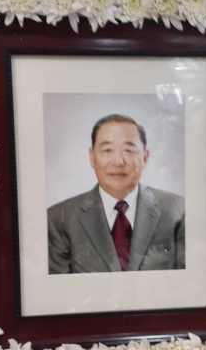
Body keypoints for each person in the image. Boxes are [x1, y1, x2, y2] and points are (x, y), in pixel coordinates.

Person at [47, 113, 185, 274]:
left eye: (129, 150)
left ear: (145, 157)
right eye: (107, 150)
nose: (118, 161)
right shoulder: (59, 219)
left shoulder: (177, 210)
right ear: (92, 157)